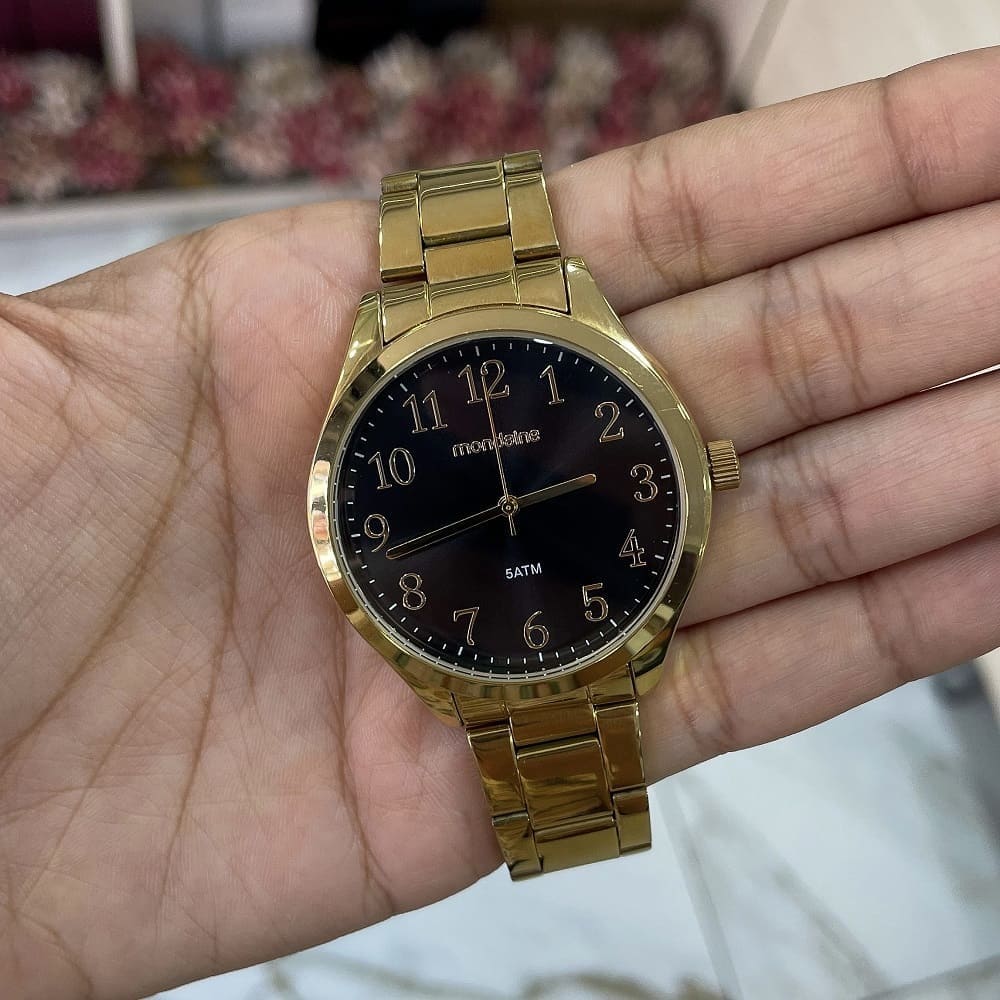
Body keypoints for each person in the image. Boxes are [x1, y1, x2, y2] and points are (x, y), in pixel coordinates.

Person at [1, 46, 998, 999]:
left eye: (521, 492)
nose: (511, 499)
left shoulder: (571, 427)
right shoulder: (398, 501)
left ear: (702, 466)